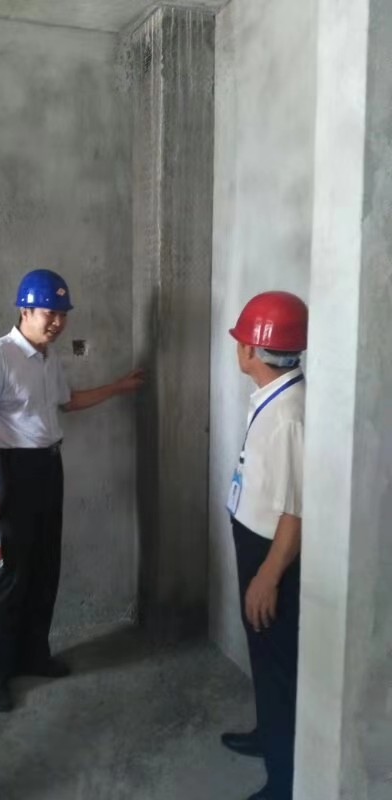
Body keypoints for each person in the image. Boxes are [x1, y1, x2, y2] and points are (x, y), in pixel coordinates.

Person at [0, 269, 143, 712]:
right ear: (25, 310)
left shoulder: (48, 359)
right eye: (50, 313)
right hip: (11, 471)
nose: (58, 323)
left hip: (48, 466)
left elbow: (69, 401)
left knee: (45, 564)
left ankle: (32, 654)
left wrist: (118, 387)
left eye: (63, 314)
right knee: (7, 573)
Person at [221, 291, 308, 800]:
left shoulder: (290, 415)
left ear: (252, 348)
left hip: (273, 556)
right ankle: (268, 735)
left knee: (277, 663)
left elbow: (297, 513)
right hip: (255, 543)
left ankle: (284, 782)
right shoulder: (274, 396)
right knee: (263, 650)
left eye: (241, 340)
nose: (238, 348)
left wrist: (267, 577)